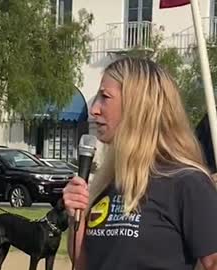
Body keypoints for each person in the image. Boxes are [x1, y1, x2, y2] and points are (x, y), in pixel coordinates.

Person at [63, 57, 217, 270]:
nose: (94, 109)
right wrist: (75, 219)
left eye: (105, 97)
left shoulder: (187, 183)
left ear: (138, 107)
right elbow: (84, 265)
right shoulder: (107, 183)